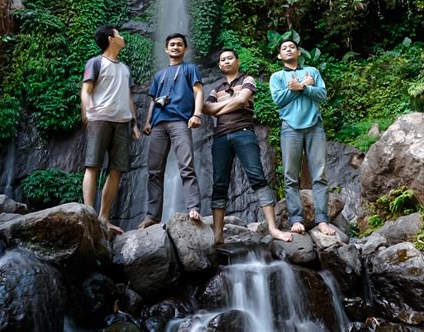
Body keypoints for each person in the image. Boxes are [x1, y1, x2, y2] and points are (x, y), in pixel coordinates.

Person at [203, 48, 292, 244]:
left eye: (229, 58)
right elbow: (205, 108)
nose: (226, 62)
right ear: (219, 65)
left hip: (243, 133)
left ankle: (272, 228)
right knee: (219, 184)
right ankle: (218, 235)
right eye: (222, 60)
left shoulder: (247, 79)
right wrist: (231, 103)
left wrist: (219, 109)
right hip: (220, 137)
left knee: (257, 177)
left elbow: (242, 99)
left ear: (237, 61)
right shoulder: (215, 88)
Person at [269, 39, 336, 235]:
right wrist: (299, 86)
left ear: (298, 52)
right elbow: (279, 100)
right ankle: (296, 219)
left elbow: (322, 94)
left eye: (292, 47)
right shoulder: (277, 76)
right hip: (290, 127)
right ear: (280, 56)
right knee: (290, 176)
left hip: (315, 126)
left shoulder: (313, 72)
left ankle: (322, 220)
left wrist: (304, 88)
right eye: (284, 48)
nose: (288, 50)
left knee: (320, 174)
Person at [138, 33, 203, 229]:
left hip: (180, 122)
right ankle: (152, 216)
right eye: (172, 45)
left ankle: (194, 208)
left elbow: (198, 91)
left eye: (179, 45)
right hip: (158, 125)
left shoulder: (190, 69)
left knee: (186, 166)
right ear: (166, 49)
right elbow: (153, 101)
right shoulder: (159, 75)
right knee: (154, 171)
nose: (175, 47)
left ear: (185, 49)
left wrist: (197, 114)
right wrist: (148, 122)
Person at [81, 24, 140, 233]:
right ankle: (88, 215)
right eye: (119, 35)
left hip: (122, 122)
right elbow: (86, 89)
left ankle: (103, 218)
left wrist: (134, 123)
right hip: (100, 118)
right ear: (110, 39)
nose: (123, 38)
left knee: (117, 169)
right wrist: (87, 111)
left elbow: (128, 97)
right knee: (93, 165)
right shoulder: (95, 62)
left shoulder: (125, 69)